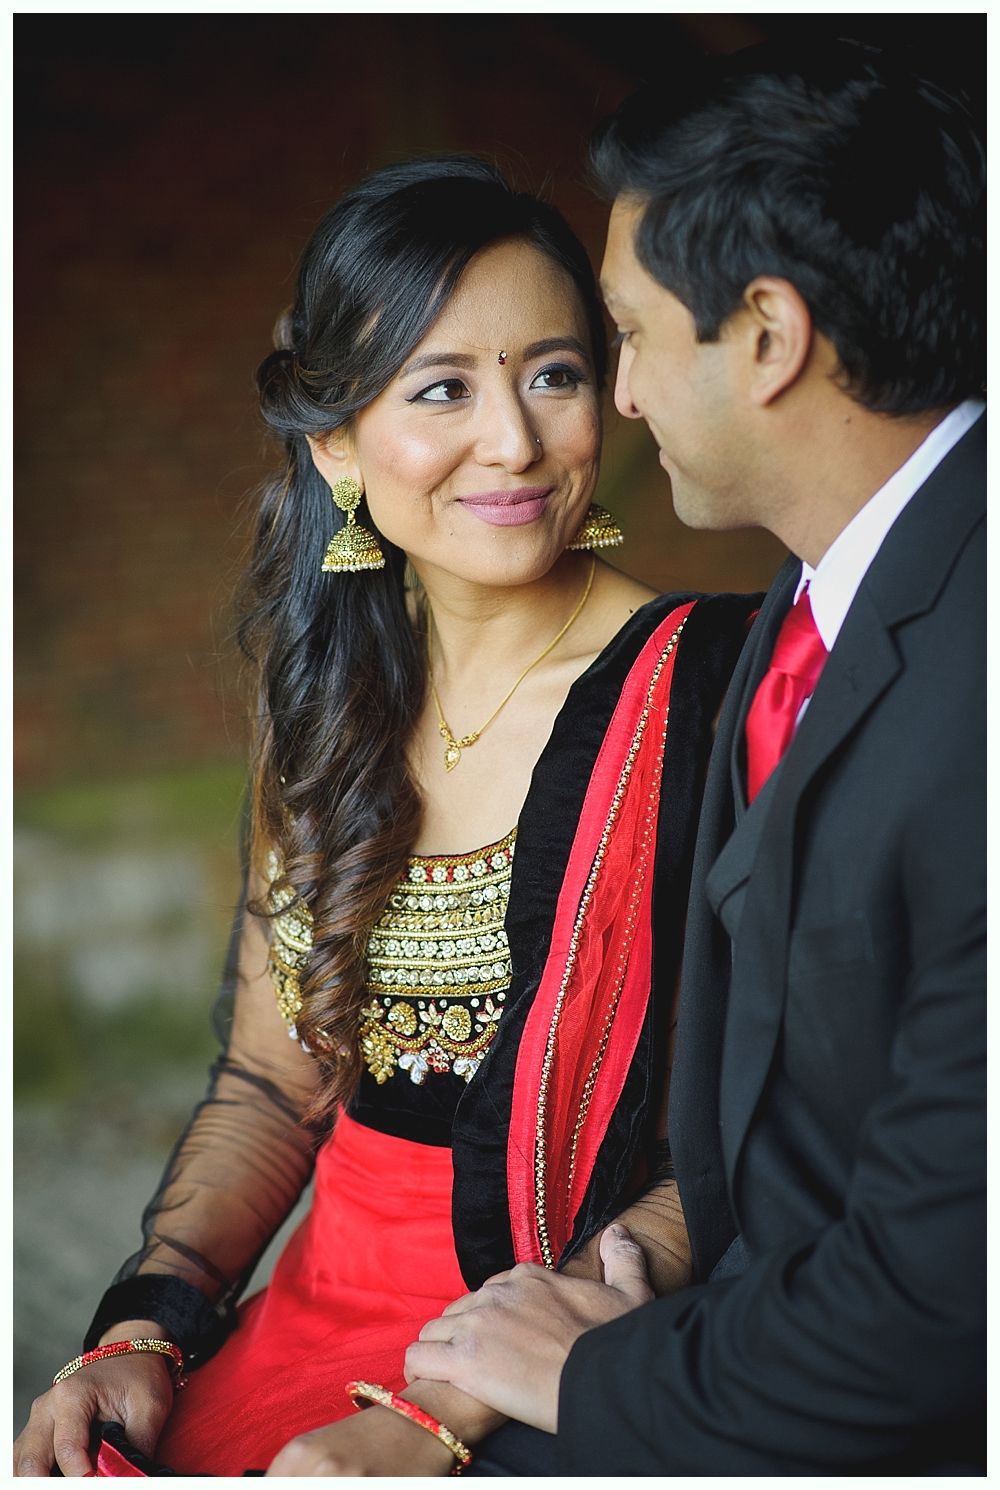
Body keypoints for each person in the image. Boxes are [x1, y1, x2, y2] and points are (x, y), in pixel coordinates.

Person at [13, 157, 757, 1477]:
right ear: (339, 440)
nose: (516, 443)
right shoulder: (325, 703)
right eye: (443, 389)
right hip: (313, 1306)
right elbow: (269, 1085)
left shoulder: (709, 692)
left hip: (564, 1319)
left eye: (554, 374)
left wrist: (445, 1412)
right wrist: (144, 1326)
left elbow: (760, 1127)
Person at [406, 42, 986, 1475]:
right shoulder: (823, 587)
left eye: (624, 336)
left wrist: (596, 1365)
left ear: (772, 337)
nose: (622, 402)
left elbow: (942, 1305)